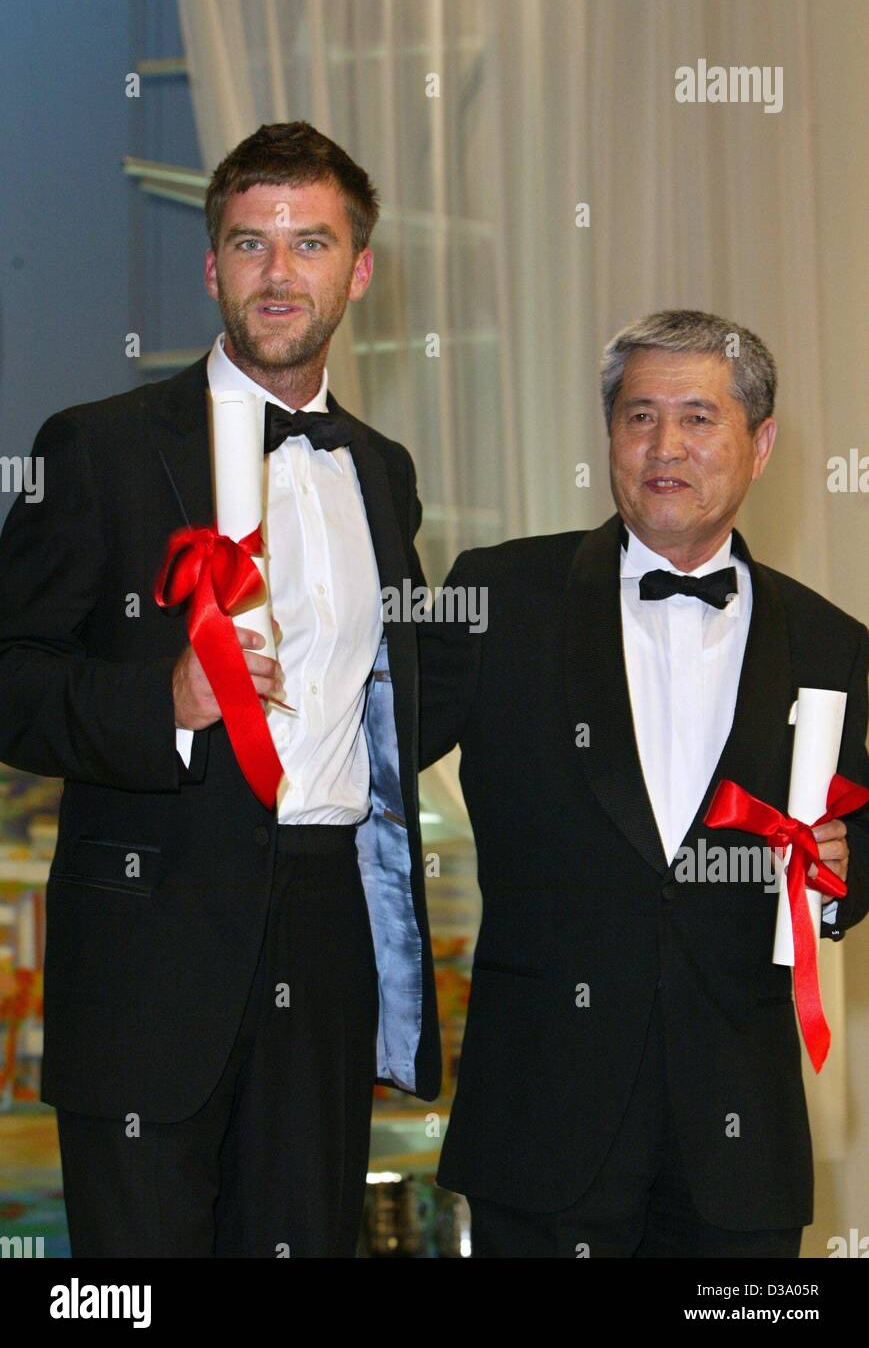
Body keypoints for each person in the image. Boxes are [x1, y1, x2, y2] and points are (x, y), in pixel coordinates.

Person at [0, 121, 440, 1257]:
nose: (278, 272)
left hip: (327, 930)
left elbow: (399, 702)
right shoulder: (95, 448)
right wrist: (167, 701)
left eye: (309, 242)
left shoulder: (382, 474)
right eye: (250, 244)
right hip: (149, 944)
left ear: (359, 269)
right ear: (211, 269)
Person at [420, 309, 868, 1257]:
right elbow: (360, 752)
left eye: (699, 417)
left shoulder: (833, 642)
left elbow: (853, 851)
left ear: (760, 444)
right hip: (539, 1134)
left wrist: (840, 866)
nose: (665, 445)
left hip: (740, 1153)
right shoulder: (497, 598)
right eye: (638, 416)